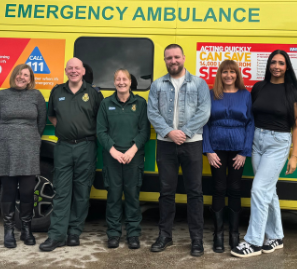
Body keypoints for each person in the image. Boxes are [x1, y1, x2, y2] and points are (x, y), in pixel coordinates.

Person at [231, 50, 297, 258]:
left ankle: (253, 242)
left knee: (259, 189)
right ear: (269, 65)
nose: (277, 66)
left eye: (281, 63)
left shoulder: (292, 91)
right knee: (268, 191)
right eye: (273, 62)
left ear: (287, 67)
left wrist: (294, 155)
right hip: (257, 140)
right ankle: (276, 236)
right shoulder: (259, 87)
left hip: (278, 142)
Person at [147, 44, 211, 257]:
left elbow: (205, 111)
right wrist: (169, 132)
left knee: (195, 192)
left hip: (192, 142)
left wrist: (183, 132)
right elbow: (152, 113)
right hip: (165, 143)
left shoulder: (199, 83)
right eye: (169, 58)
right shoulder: (157, 85)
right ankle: (165, 236)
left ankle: (197, 240)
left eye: (176, 57)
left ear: (183, 58)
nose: (173, 61)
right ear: (165, 61)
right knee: (166, 192)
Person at [40, 58, 104, 251]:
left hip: (87, 146)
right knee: (61, 191)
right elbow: (52, 116)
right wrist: (67, 130)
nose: (74, 71)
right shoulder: (57, 91)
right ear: (66, 71)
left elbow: (101, 119)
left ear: (83, 71)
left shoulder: (93, 93)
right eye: (70, 68)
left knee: (82, 192)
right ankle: (56, 235)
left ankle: (74, 232)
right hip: (64, 147)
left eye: (77, 68)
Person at [0, 64, 46, 248]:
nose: (22, 77)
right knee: (9, 189)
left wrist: (28, 136)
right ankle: (8, 231)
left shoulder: (36, 96)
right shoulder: (1, 95)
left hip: (29, 146)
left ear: (30, 79)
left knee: (28, 189)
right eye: (19, 74)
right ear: (14, 76)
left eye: (26, 75)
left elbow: (41, 122)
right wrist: (8, 134)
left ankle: (26, 230)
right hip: (5, 146)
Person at [202, 59, 255, 252]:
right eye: (225, 72)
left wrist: (244, 152)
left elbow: (250, 124)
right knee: (218, 188)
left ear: (237, 74)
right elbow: (205, 123)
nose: (229, 75)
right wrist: (208, 150)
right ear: (220, 75)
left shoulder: (245, 95)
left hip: (237, 149)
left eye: (232, 72)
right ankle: (218, 235)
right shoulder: (211, 94)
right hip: (216, 149)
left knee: (234, 188)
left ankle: (234, 235)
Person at [96, 68, 150, 249]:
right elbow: (101, 131)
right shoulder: (106, 104)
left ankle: (133, 234)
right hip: (112, 157)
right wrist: (112, 150)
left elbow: (145, 131)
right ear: (114, 83)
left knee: (133, 196)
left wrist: (132, 150)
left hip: (133, 157)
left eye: (124, 79)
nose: (121, 82)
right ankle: (113, 233)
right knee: (113, 196)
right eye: (118, 79)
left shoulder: (140, 103)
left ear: (130, 82)